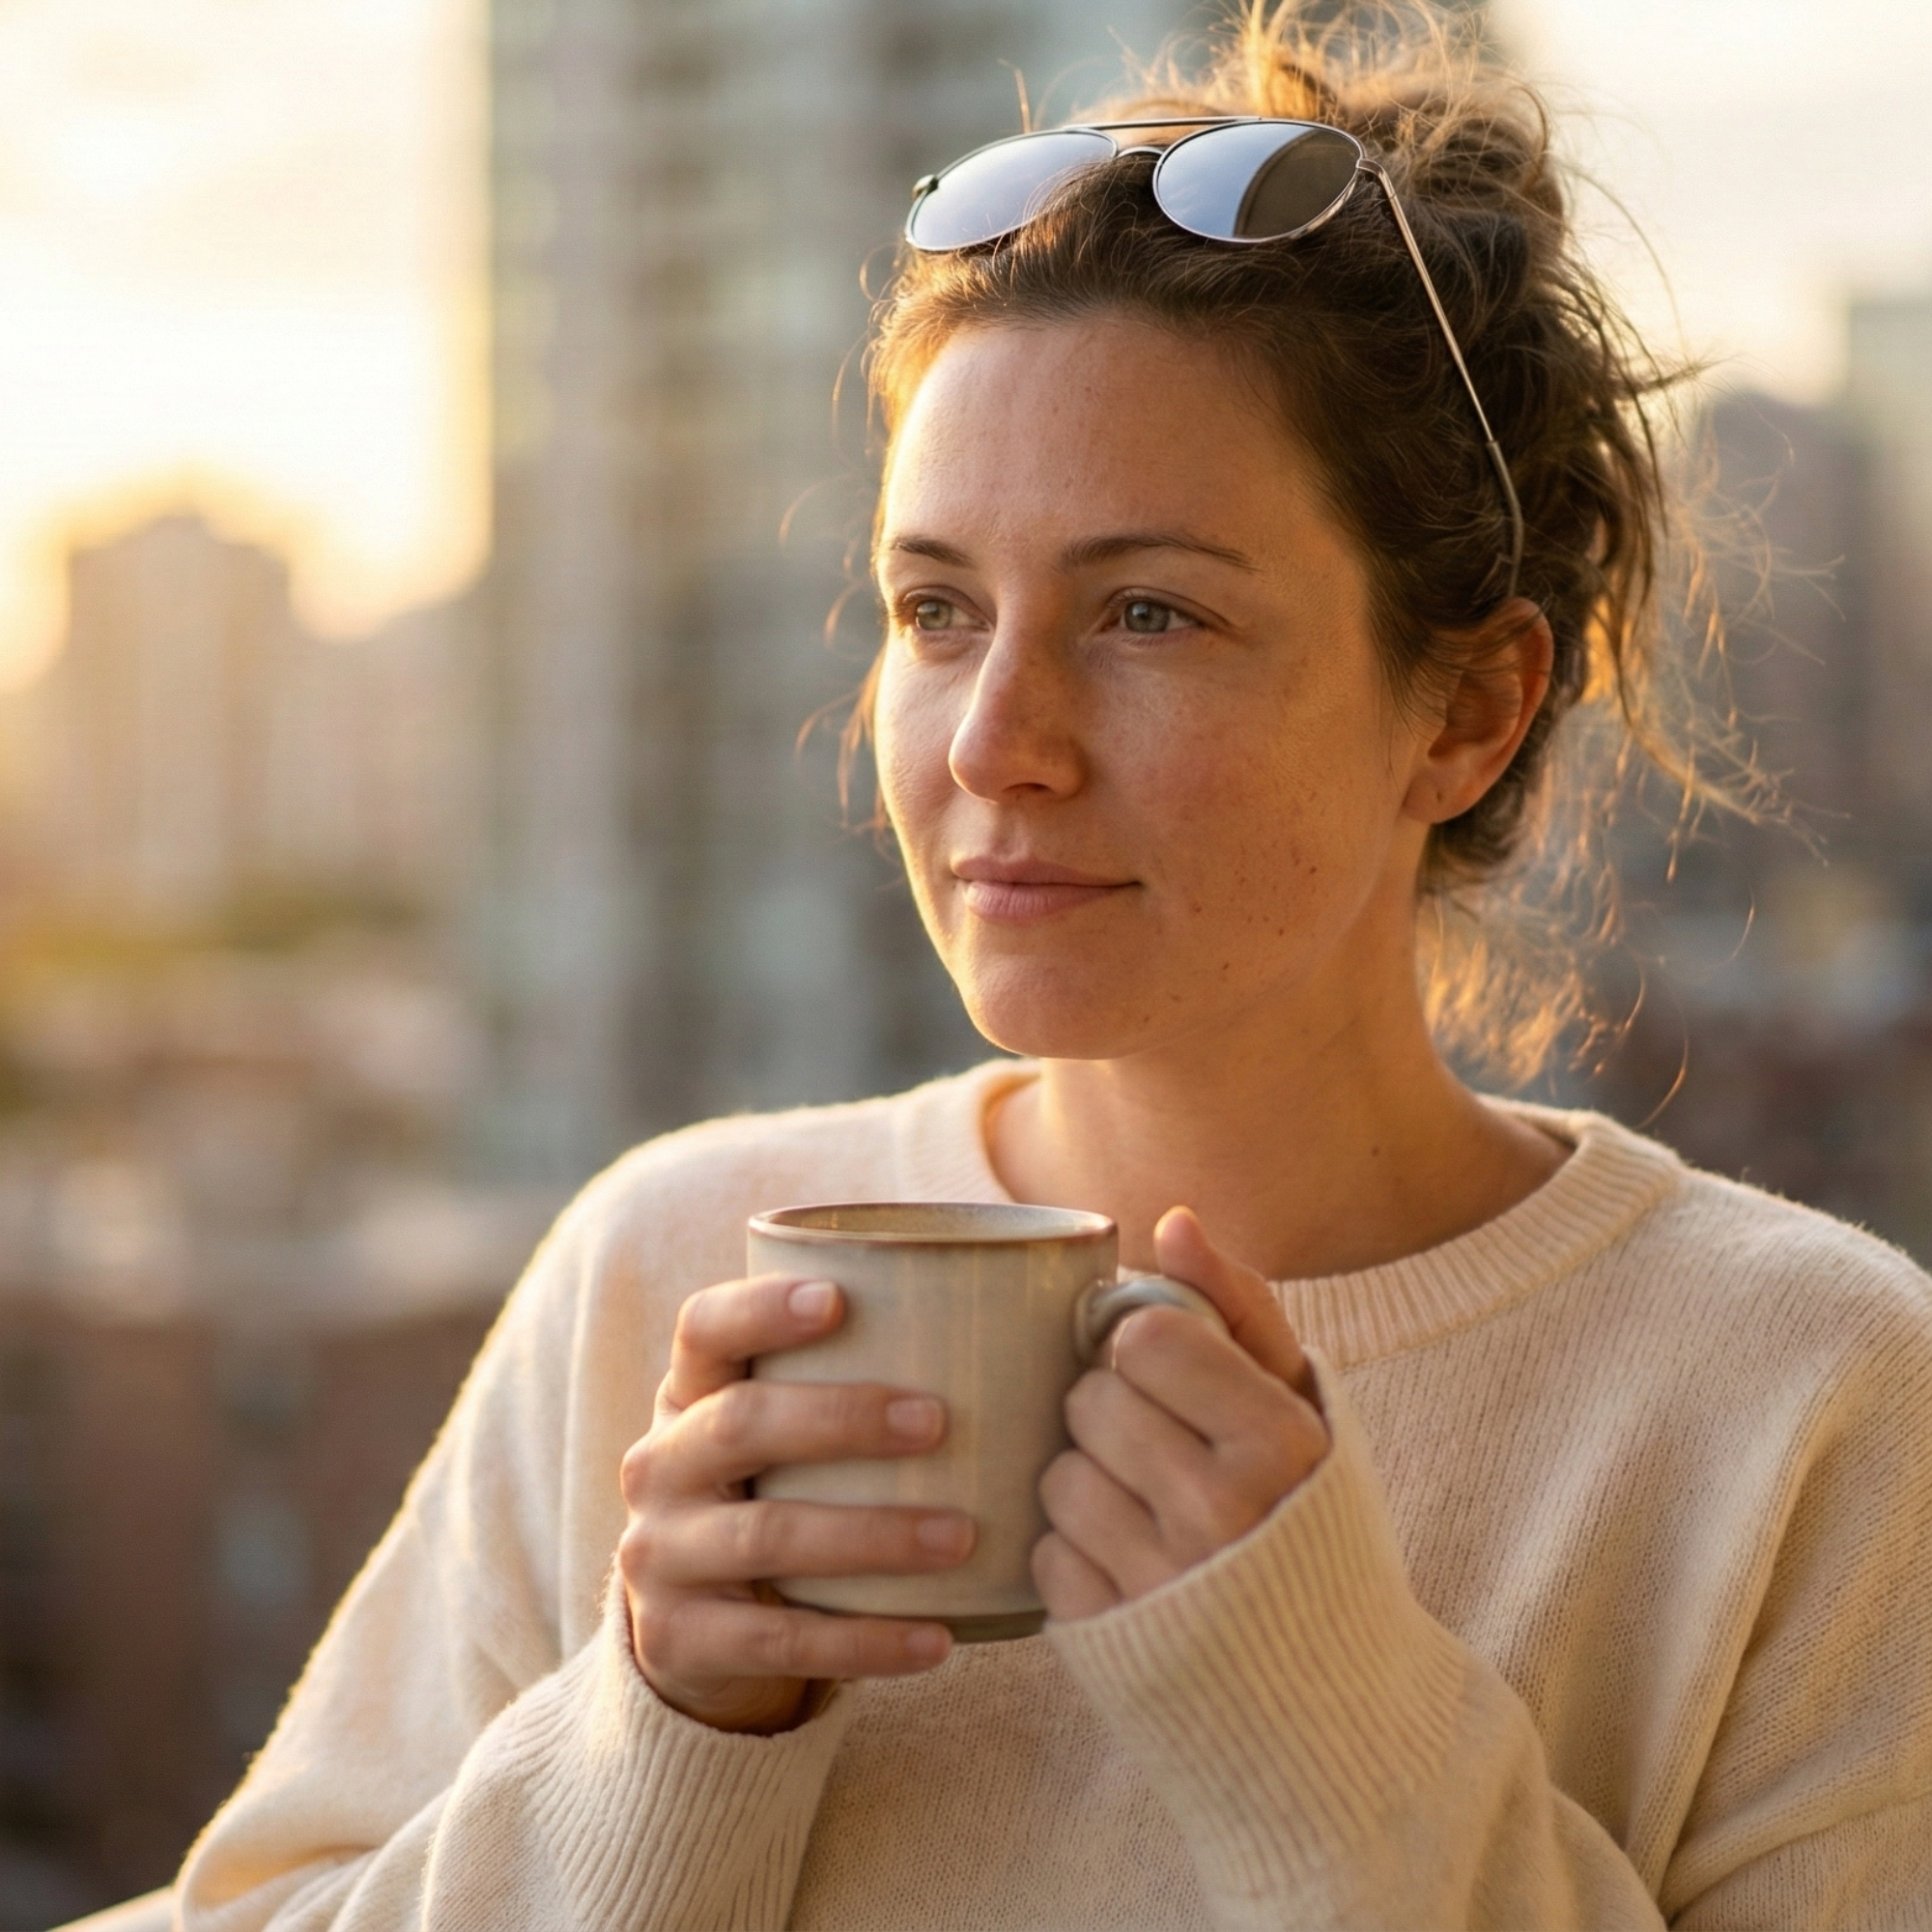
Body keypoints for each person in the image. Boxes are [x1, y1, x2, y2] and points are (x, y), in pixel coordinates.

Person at [174, 5, 1932, 1927]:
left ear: (1469, 708)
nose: (995, 737)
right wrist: (651, 1735)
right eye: (935, 608)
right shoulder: (666, 1277)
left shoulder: (1810, 1405)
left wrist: (1326, 1727)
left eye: (1148, 611)